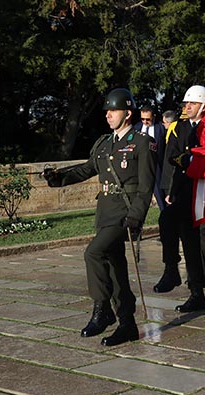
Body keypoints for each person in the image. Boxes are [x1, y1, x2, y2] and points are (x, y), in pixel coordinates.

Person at [42, 88, 154, 346]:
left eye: (113, 110)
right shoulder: (104, 143)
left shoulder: (141, 142)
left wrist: (137, 216)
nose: (108, 115)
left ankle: (102, 310)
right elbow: (87, 169)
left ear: (127, 114)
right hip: (105, 211)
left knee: (93, 253)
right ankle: (127, 324)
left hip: (124, 213)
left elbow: (146, 186)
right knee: (115, 269)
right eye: (107, 111)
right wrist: (60, 179)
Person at [159, 85, 205, 311]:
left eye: (191, 103)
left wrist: (192, 159)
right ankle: (174, 271)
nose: (187, 107)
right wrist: (171, 189)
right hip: (183, 188)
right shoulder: (179, 128)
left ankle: (194, 288)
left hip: (202, 188)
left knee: (192, 239)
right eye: (185, 103)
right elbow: (171, 157)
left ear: (204, 105)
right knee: (170, 223)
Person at [134, 106, 167, 211]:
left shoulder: (160, 129)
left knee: (160, 197)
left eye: (148, 119)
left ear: (154, 117)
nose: (145, 122)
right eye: (142, 119)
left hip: (157, 166)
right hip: (140, 167)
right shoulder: (136, 128)